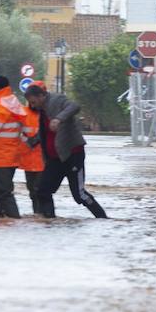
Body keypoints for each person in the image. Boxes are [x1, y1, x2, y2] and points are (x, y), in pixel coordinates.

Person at [24, 82, 108, 219]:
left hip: (72, 155)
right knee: (42, 190)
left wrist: (59, 119)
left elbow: (74, 106)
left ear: (41, 96)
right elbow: (45, 133)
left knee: (79, 194)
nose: (32, 106)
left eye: (33, 102)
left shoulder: (57, 100)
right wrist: (30, 142)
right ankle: (49, 221)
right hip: (55, 159)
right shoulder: (42, 111)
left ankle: (103, 219)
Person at [0, 76, 38, 218]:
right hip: (8, 154)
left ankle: (12, 220)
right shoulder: (11, 101)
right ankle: (1, 220)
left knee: (3, 192)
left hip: (3, 155)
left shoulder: (0, 104)